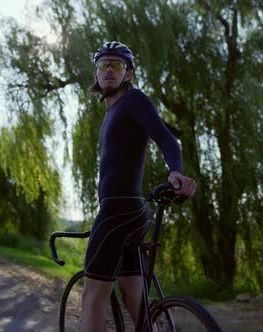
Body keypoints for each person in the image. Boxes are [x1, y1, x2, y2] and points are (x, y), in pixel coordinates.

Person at [82, 41, 197, 331]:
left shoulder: (134, 101)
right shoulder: (112, 111)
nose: (109, 70)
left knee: (93, 294)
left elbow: (166, 138)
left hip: (117, 211)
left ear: (128, 74)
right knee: (134, 293)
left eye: (117, 65)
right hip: (133, 214)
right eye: (103, 65)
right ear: (96, 74)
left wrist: (176, 172)